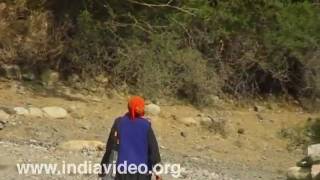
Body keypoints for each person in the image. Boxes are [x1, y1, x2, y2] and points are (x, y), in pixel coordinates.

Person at [100, 96, 161, 180]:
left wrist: (103, 167)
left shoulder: (119, 122)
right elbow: (154, 150)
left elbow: (111, 146)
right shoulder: (146, 125)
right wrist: (158, 172)